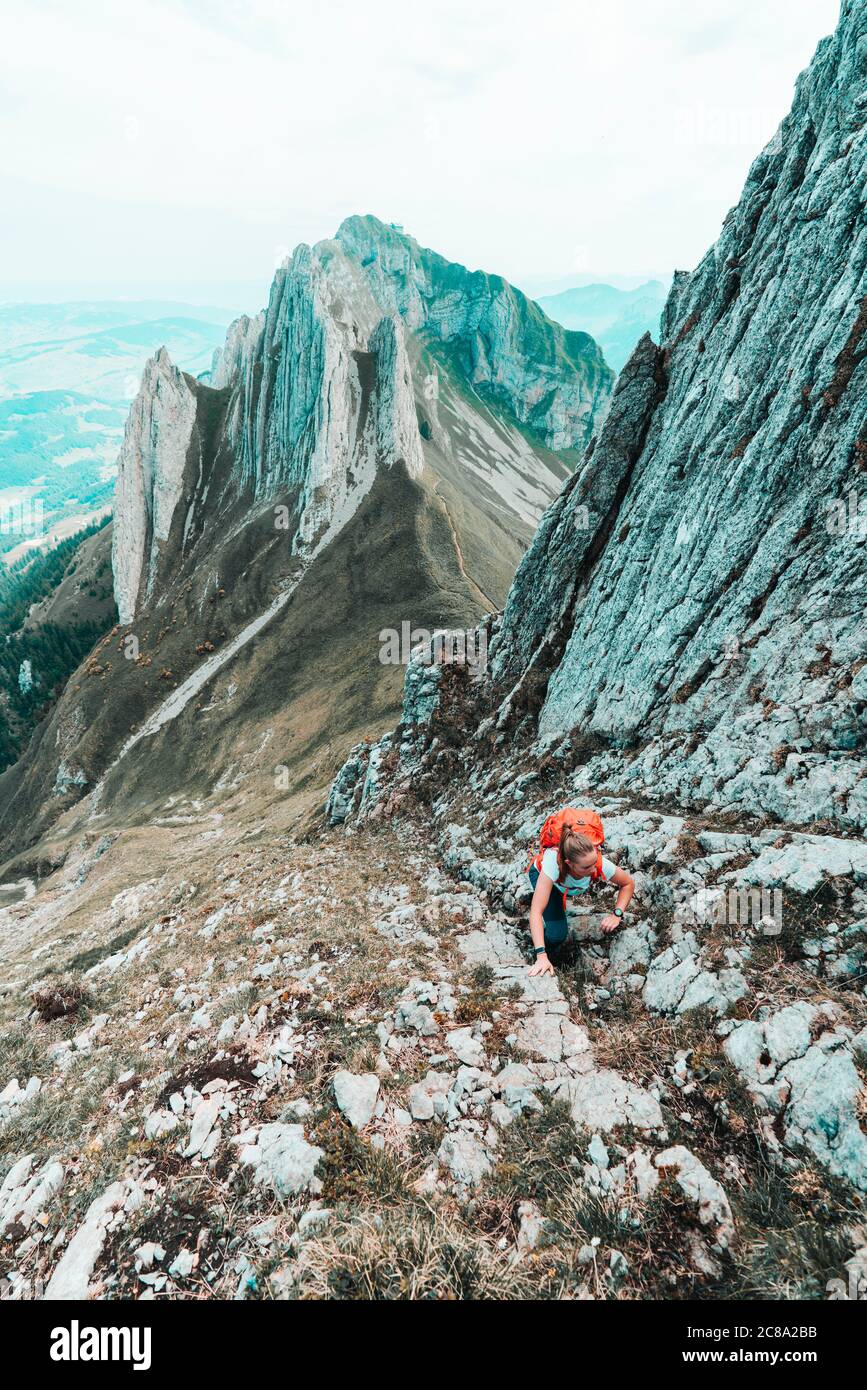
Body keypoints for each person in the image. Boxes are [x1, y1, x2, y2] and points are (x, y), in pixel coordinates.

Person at [527, 826, 634, 977]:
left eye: (594, 862)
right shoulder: (552, 865)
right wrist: (541, 956)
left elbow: (628, 884)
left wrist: (617, 914)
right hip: (544, 879)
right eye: (586, 867)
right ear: (569, 863)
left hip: (564, 885)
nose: (593, 870)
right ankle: (541, 953)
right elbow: (536, 912)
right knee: (557, 934)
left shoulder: (598, 864)